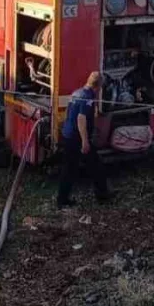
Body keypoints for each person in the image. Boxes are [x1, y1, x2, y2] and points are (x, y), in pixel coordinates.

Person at [57, 72, 111, 209]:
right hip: (77, 138)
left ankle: (63, 199)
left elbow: (70, 113)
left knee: (71, 169)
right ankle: (102, 196)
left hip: (68, 134)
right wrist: (85, 141)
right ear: (98, 86)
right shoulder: (88, 97)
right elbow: (81, 119)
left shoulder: (76, 93)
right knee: (95, 166)